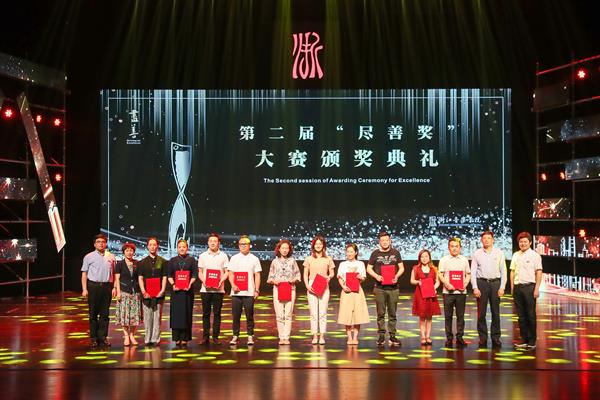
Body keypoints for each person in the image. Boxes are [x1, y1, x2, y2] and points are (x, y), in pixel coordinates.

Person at [366, 231, 404, 346]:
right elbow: (369, 268)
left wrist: (396, 276)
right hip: (380, 288)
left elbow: (401, 268)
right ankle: (381, 335)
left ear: (390, 241)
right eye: (382, 240)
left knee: (392, 313)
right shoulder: (375, 253)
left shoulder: (395, 253)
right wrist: (376, 276)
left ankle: (392, 336)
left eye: (387, 240)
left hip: (393, 288)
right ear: (379, 242)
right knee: (380, 313)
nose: (385, 242)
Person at [471, 231, 507, 348]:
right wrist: (475, 287)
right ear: (481, 240)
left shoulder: (499, 253)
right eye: (484, 238)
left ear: (493, 240)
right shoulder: (477, 253)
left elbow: (503, 271)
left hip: (495, 283)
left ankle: (496, 337)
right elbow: (473, 272)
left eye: (489, 238)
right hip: (481, 283)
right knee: (481, 313)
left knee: (495, 313)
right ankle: (483, 338)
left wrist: (502, 287)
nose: (486, 240)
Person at [81, 233, 116, 348]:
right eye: (98, 242)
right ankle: (94, 339)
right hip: (93, 287)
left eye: (103, 242)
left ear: (106, 244)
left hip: (106, 287)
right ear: (94, 244)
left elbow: (114, 274)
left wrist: (114, 287)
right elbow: (84, 274)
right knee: (93, 314)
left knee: (105, 314)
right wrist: (84, 289)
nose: (101, 244)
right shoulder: (88, 256)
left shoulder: (111, 256)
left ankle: (103, 337)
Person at [510, 231, 543, 351]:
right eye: (521, 242)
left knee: (530, 315)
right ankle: (523, 339)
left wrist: (537, 288)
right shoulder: (515, 255)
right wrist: (512, 288)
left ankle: (532, 341)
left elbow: (539, 272)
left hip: (529, 287)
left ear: (530, 242)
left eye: (525, 241)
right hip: (518, 287)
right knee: (521, 316)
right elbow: (512, 271)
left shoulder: (535, 255)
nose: (523, 244)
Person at [228, 235, 262, 346]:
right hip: (236, 292)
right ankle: (235, 335)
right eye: (241, 244)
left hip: (249, 292)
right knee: (236, 316)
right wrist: (233, 285)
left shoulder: (254, 259)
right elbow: (230, 273)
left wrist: (257, 290)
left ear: (249, 246)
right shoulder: (234, 258)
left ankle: (250, 335)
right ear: (238, 246)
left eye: (245, 244)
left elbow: (257, 275)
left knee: (249, 315)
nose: (243, 246)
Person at [438, 237, 471, 348]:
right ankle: (449, 338)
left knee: (460, 316)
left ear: (460, 248)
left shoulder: (464, 260)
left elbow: (468, 274)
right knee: (448, 316)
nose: (454, 248)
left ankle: (460, 337)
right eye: (452, 246)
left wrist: (465, 283)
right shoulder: (444, 259)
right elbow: (440, 274)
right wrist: (446, 283)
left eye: (456, 246)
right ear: (448, 248)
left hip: (461, 292)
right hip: (448, 292)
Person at [267, 239, 301, 345]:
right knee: (280, 315)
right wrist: (274, 281)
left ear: (289, 249)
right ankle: (281, 337)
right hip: (278, 289)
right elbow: (269, 277)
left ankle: (286, 337)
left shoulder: (293, 261)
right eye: (283, 248)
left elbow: (298, 275)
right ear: (279, 249)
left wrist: (293, 280)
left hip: (290, 289)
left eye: (287, 248)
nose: (285, 250)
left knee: (288, 314)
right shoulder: (275, 262)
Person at [303, 235, 336, 345]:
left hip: (323, 284)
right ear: (313, 246)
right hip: (312, 284)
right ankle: (314, 336)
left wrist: (329, 277)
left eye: (320, 244)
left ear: (323, 246)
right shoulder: (308, 259)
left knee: (322, 312)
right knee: (313, 313)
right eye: (316, 244)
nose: (318, 246)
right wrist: (307, 285)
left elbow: (332, 273)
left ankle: (322, 336)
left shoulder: (328, 259)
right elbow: (305, 274)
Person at [197, 233, 229, 345]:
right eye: (211, 241)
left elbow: (227, 272)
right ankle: (205, 337)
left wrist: (221, 281)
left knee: (217, 314)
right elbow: (200, 272)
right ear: (208, 242)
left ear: (218, 243)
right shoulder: (203, 256)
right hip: (205, 290)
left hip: (218, 290)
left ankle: (215, 337)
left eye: (215, 241)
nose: (213, 243)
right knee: (205, 314)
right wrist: (204, 281)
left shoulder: (223, 256)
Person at [337, 243, 370, 345]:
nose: (349, 253)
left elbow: (363, 277)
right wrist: (343, 287)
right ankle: (349, 337)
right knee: (346, 315)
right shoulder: (342, 264)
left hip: (357, 291)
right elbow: (340, 278)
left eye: (351, 251)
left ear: (356, 253)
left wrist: (360, 277)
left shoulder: (360, 263)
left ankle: (355, 337)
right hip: (346, 290)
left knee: (357, 314)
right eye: (348, 251)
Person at [138, 237, 168, 347]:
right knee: (147, 317)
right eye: (150, 244)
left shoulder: (163, 261)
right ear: (147, 246)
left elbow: (164, 277)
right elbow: (140, 277)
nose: (152, 247)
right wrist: (143, 291)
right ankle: (148, 338)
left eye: (154, 244)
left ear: (157, 246)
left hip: (159, 293)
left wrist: (162, 290)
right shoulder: (142, 262)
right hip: (146, 293)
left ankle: (156, 338)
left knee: (157, 317)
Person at [167, 239, 197, 346]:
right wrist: (173, 285)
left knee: (186, 314)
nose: (182, 249)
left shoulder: (192, 260)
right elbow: (169, 275)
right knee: (176, 314)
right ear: (177, 248)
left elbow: (194, 275)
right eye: (180, 247)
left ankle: (185, 338)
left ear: (187, 248)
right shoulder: (172, 260)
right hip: (176, 292)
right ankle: (176, 337)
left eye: (184, 247)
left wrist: (189, 284)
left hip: (187, 292)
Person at [410, 249, 441, 346]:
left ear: (429, 257)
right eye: (422, 256)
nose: (424, 258)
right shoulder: (416, 268)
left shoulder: (434, 269)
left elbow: (437, 281)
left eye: (426, 256)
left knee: (429, 316)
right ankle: (423, 337)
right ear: (419, 258)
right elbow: (412, 280)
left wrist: (434, 288)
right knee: (422, 316)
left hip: (431, 295)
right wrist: (418, 282)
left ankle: (428, 336)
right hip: (420, 295)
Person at [114, 242, 142, 346]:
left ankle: (132, 335)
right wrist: (118, 292)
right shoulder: (119, 264)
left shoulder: (137, 263)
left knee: (135, 316)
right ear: (124, 252)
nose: (129, 252)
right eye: (127, 251)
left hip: (135, 293)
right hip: (124, 292)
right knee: (125, 316)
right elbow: (117, 279)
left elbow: (140, 278)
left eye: (131, 250)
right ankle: (126, 336)